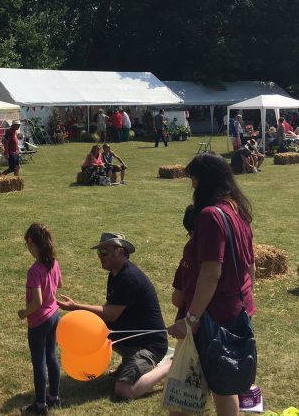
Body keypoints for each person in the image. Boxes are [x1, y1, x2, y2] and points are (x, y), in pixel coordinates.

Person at [168, 152, 256, 416]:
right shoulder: (237, 211)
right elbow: (250, 267)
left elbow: (211, 273)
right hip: (235, 313)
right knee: (223, 386)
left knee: (183, 394)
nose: (192, 188)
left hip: (210, 320)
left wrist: (191, 319)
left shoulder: (209, 216)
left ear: (203, 181)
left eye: (193, 180)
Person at [57, 233, 170, 400]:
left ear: (120, 251)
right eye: (99, 252)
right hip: (131, 339)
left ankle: (169, 366)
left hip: (149, 345)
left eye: (104, 252)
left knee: (123, 390)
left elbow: (111, 313)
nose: (100, 257)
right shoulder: (115, 274)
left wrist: (76, 307)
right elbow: (110, 312)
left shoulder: (128, 278)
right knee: (97, 329)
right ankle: (129, 363)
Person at [18, 223, 62, 415]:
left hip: (39, 322)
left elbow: (37, 302)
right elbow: (59, 284)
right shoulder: (53, 261)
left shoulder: (34, 270)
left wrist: (24, 313)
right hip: (54, 316)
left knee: (38, 362)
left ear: (31, 242)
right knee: (51, 356)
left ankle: (41, 405)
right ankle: (54, 397)